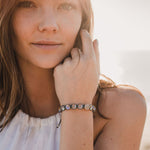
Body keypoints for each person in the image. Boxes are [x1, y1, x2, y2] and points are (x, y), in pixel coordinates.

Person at [0, 0, 147, 150]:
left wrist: (77, 106)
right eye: (28, 4)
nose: (49, 25)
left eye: (66, 6)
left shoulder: (122, 109)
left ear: (82, 18)